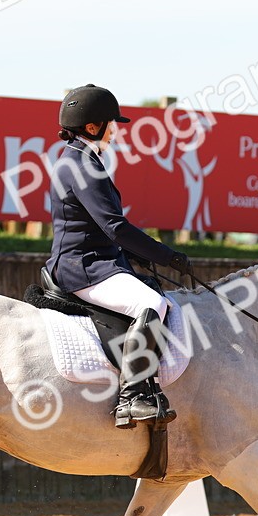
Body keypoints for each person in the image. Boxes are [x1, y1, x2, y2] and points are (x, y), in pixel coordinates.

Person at [46, 84, 190, 430]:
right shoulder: (81, 165)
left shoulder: (82, 159)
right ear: (93, 127)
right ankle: (133, 396)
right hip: (83, 268)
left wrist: (141, 259)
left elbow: (102, 229)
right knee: (150, 304)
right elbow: (114, 227)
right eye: (112, 123)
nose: (117, 129)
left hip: (96, 261)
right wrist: (165, 254)